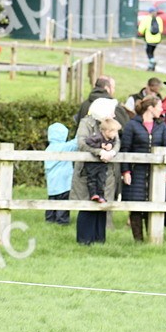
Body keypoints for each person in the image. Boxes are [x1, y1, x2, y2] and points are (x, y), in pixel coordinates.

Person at [71, 98, 120, 245]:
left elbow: (117, 141)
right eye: (111, 111)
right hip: (88, 172)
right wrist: (99, 152)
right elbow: (81, 143)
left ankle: (99, 240)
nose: (114, 115)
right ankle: (85, 240)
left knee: (102, 205)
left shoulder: (111, 124)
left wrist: (112, 152)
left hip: (106, 171)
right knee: (87, 203)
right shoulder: (86, 123)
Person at [120, 96, 166, 242]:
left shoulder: (161, 126)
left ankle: (153, 238)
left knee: (154, 203)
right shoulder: (132, 125)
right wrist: (126, 171)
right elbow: (125, 149)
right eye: (159, 107)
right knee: (135, 205)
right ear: (150, 108)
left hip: (156, 171)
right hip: (137, 171)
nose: (162, 110)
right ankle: (138, 240)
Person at [44, 122, 78, 225]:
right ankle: (62, 220)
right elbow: (75, 143)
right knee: (63, 201)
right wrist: (80, 131)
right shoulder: (64, 147)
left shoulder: (48, 149)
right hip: (63, 182)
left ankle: (50, 219)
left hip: (52, 182)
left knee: (52, 200)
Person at [82, 118, 122, 203]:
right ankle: (93, 194)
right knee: (92, 178)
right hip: (92, 164)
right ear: (107, 131)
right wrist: (100, 146)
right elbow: (88, 141)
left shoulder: (112, 139)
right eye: (114, 132)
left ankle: (101, 195)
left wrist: (110, 147)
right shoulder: (97, 137)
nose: (116, 134)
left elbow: (115, 144)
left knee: (102, 179)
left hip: (102, 164)